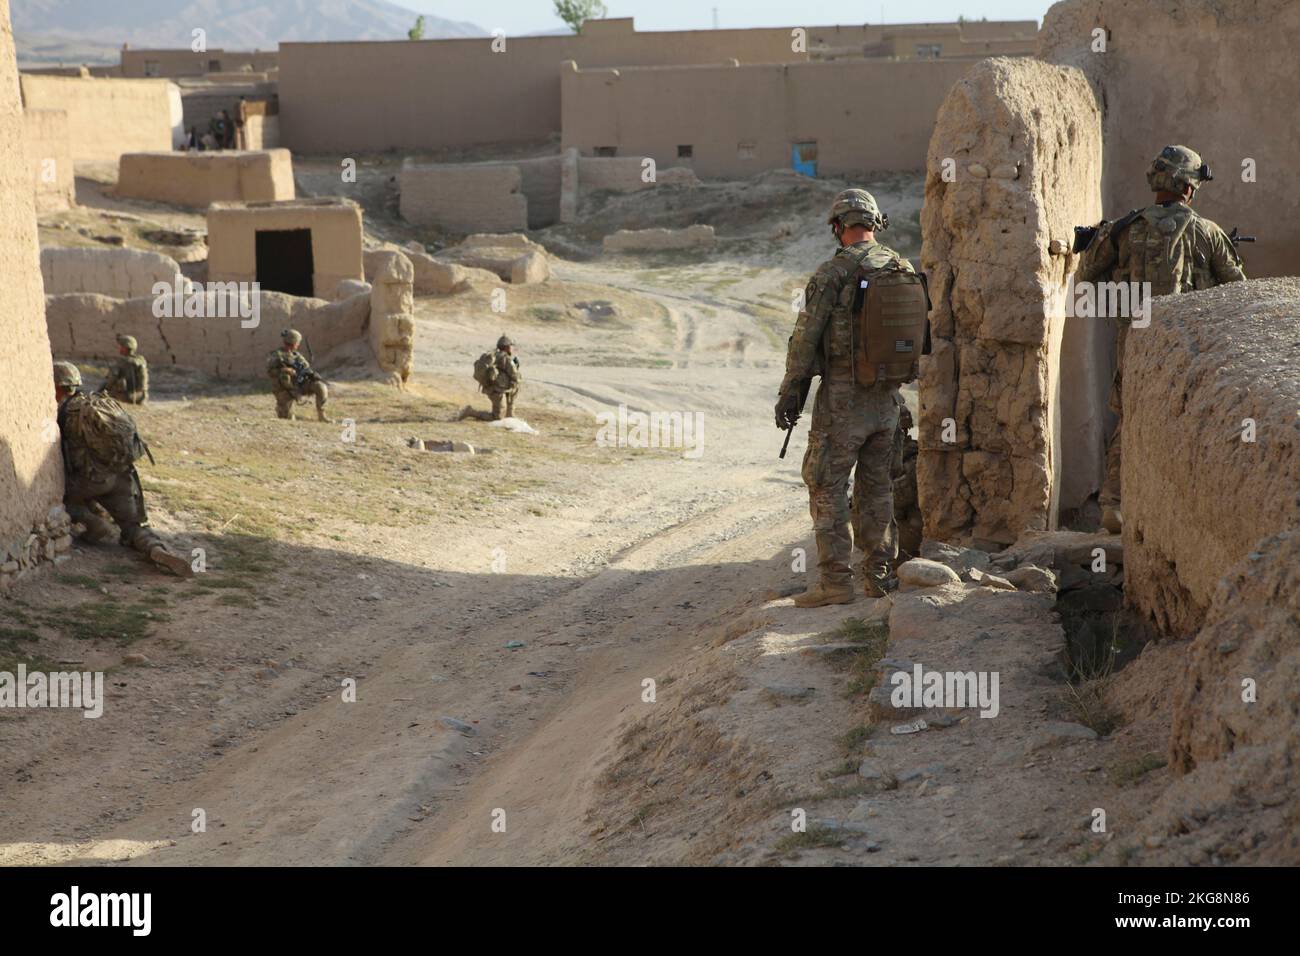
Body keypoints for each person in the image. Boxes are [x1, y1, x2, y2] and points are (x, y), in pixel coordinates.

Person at [1076, 144, 1246, 532]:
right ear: (1189, 187)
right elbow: (1239, 293)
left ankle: (1114, 506)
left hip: (1134, 345)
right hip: (1190, 349)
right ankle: (1180, 511)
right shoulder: (1209, 232)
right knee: (1187, 421)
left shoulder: (1125, 228)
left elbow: (1087, 274)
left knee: (1130, 419)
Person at [775, 188, 924, 606]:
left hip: (843, 401)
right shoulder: (901, 266)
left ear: (838, 227)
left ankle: (835, 584)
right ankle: (878, 578)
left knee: (826, 485)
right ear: (876, 224)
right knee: (878, 489)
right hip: (888, 401)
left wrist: (791, 394)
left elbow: (805, 342)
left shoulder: (833, 273)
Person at [54, 361, 192, 578]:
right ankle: (155, 549)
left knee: (57, 497)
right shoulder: (100, 402)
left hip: (92, 480)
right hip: (121, 475)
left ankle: (95, 524)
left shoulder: (65, 412)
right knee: (134, 526)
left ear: (57, 387)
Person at [266, 329, 331, 422]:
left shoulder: (297, 355)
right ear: (293, 342)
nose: (298, 345)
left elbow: (306, 368)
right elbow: (270, 371)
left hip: (300, 384)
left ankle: (322, 415)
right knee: (288, 420)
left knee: (321, 386)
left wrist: (312, 374)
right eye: (297, 342)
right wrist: (284, 370)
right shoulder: (276, 355)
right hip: (285, 389)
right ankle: (282, 409)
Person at [462, 335, 522, 421]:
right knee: (497, 417)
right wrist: (516, 368)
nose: (512, 348)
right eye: (511, 346)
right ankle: (471, 412)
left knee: (513, 389)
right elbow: (515, 376)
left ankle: (510, 415)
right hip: (497, 390)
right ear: (507, 347)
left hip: (493, 388)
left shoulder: (496, 355)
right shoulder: (506, 359)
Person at [103, 333, 148, 404]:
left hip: (128, 397)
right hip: (142, 396)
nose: (119, 348)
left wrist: (104, 390)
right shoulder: (141, 360)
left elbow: (111, 380)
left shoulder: (122, 362)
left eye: (121, 346)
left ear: (126, 348)